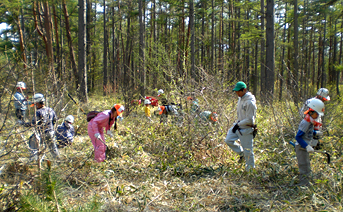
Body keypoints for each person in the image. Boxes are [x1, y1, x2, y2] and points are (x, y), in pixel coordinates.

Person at [224, 81, 257, 171]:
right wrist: (237, 124)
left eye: (239, 91)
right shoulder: (240, 98)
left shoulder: (250, 103)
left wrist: (238, 124)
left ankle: (250, 170)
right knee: (228, 140)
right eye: (236, 91)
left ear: (244, 90)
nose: (237, 93)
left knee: (248, 151)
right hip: (238, 126)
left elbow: (250, 119)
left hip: (246, 129)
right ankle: (241, 153)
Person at [295, 98, 325, 186]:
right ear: (312, 112)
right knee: (304, 166)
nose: (318, 116)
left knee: (307, 165)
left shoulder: (311, 122)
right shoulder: (305, 123)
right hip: (301, 147)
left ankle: (306, 183)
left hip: (305, 147)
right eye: (317, 114)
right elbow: (298, 137)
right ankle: (303, 184)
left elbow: (309, 133)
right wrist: (306, 146)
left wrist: (316, 132)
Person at [27, 93, 59, 161]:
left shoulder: (38, 112)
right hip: (51, 132)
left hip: (41, 133)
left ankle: (33, 160)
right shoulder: (50, 110)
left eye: (35, 104)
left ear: (38, 103)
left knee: (32, 143)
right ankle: (58, 161)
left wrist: (24, 124)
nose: (35, 106)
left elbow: (34, 123)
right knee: (53, 148)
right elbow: (55, 120)